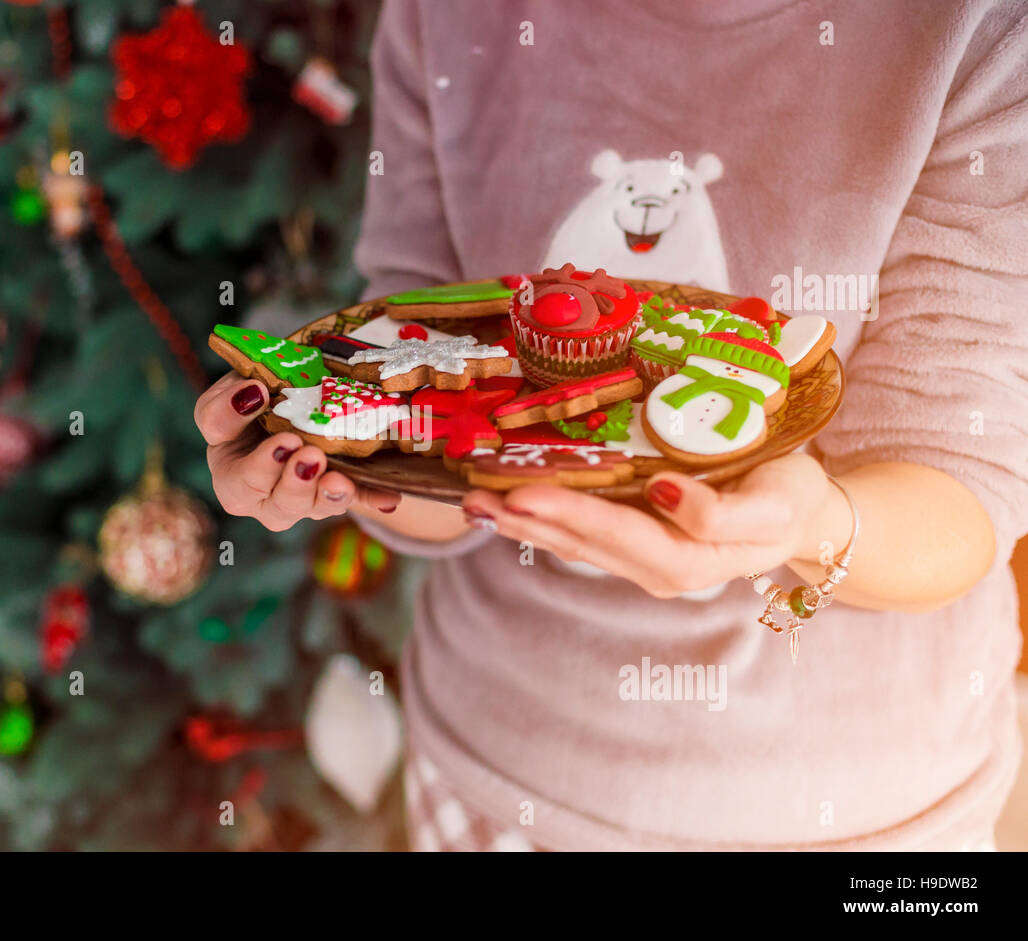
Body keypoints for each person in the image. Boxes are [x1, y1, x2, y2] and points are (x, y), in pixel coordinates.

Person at [195, 0, 1028, 850]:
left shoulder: (980, 30)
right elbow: (433, 426)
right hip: (497, 771)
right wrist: (341, 459)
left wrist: (810, 524)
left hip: (858, 812)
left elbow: (965, 482)